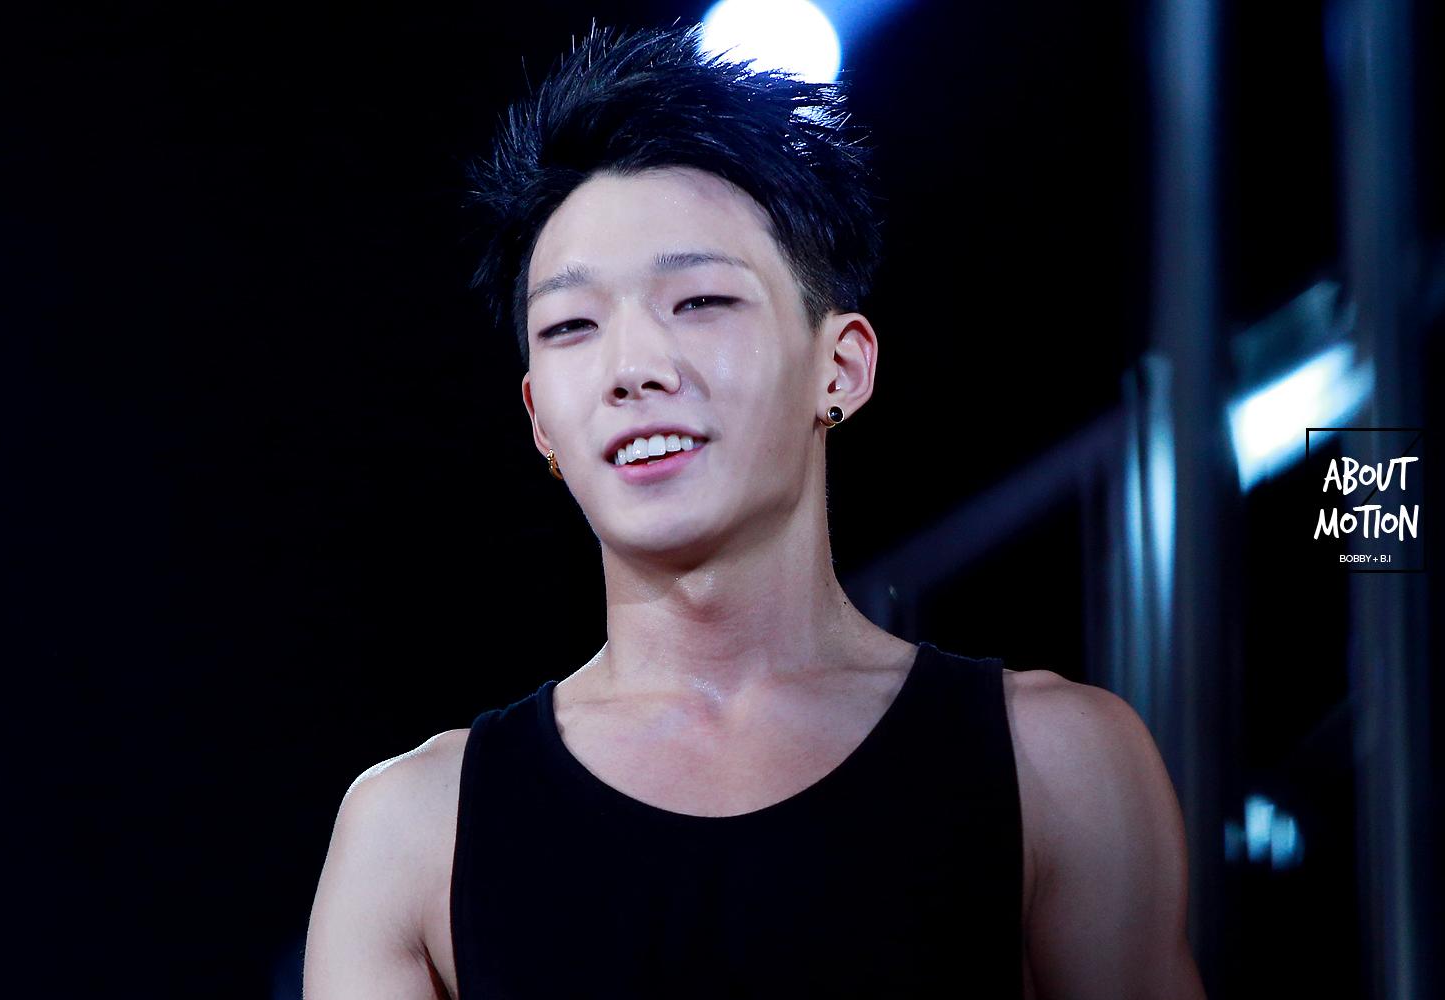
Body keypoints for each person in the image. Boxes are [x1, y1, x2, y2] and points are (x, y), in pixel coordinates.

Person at [303, 20, 1207, 1000]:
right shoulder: (413, 833)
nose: (633, 368)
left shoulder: (1055, 767)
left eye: (699, 302)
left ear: (841, 365)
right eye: (571, 325)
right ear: (539, 419)